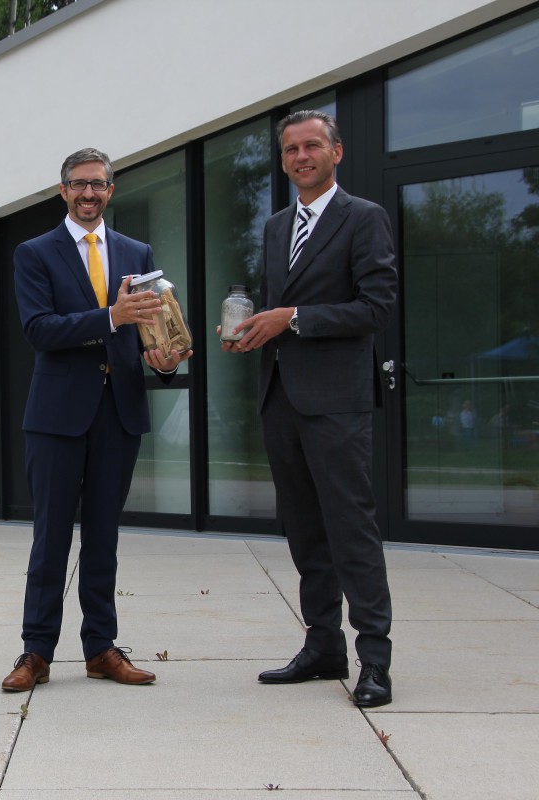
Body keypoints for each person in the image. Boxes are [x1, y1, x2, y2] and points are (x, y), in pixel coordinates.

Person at [218, 110, 396, 708]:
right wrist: (250, 331)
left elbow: (377, 308)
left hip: (338, 402)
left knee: (351, 529)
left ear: (336, 152)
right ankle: (323, 646)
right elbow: (276, 307)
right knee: (304, 531)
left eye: (312, 145)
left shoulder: (363, 218)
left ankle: (375, 660)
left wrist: (291, 319)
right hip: (281, 398)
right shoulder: (275, 227)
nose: (301, 156)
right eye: (291, 148)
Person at [2, 147, 191, 692]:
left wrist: (165, 357)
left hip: (119, 411)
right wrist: (111, 316)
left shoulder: (136, 251)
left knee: (103, 537)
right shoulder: (34, 253)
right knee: (51, 538)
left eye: (99, 184)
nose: (89, 193)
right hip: (57, 416)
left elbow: (147, 330)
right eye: (79, 184)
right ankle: (36, 652)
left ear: (111, 190)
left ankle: (101, 649)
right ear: (63, 190)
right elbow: (39, 329)